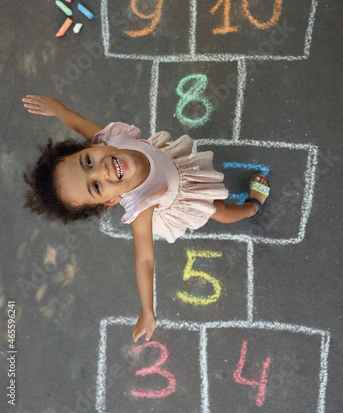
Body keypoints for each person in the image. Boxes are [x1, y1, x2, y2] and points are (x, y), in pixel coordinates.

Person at [22, 95, 270, 342]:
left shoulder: (111, 139)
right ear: (110, 202)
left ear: (91, 146)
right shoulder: (142, 201)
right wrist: (147, 310)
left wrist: (58, 109)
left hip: (177, 168)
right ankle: (252, 207)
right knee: (222, 212)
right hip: (181, 195)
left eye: (87, 161)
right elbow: (144, 258)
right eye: (96, 187)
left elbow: (78, 124)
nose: (101, 170)